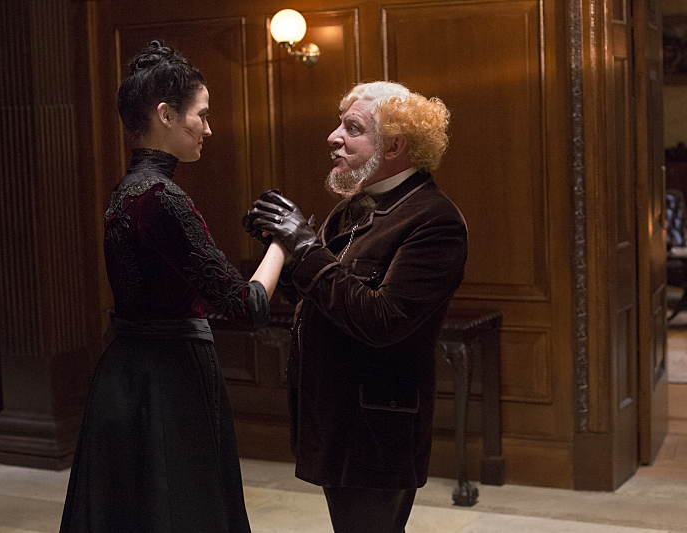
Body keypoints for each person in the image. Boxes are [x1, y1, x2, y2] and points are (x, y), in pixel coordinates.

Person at [59, 40, 287, 533]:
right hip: (167, 384)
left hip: (126, 377)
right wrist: (285, 243)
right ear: (165, 114)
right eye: (200, 115)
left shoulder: (127, 191)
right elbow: (247, 307)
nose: (208, 127)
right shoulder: (162, 198)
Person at [248, 81, 468, 533]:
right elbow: (324, 298)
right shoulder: (353, 207)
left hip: (377, 427)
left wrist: (306, 248)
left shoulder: (434, 219)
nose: (334, 137)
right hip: (337, 416)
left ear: (395, 145)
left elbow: (382, 320)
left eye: (352, 128)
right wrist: (285, 256)